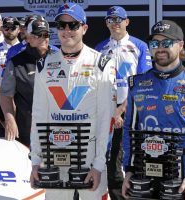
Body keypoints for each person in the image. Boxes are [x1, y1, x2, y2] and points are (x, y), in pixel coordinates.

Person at [121, 20, 185, 200]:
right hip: (144, 174)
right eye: (155, 44)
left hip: (182, 177)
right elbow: (129, 129)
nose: (160, 48)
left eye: (166, 43)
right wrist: (129, 170)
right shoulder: (137, 83)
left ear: (180, 45)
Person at [29, 3, 116, 200]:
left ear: (84, 28)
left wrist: (99, 165)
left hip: (90, 156)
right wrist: (35, 161)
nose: (67, 30)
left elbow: (106, 120)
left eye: (73, 25)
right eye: (61, 25)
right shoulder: (44, 65)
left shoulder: (101, 64)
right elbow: (38, 116)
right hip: (55, 154)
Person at [95, 6, 152, 200]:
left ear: (127, 22)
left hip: (135, 112)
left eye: (119, 19)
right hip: (110, 113)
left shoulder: (140, 46)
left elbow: (144, 82)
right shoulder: (99, 48)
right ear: (106, 23)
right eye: (111, 20)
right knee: (112, 163)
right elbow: (96, 85)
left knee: (139, 160)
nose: (115, 23)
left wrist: (122, 109)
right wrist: (112, 112)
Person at [0, 18, 58, 146]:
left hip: (57, 128)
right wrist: (9, 119)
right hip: (28, 129)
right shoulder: (15, 63)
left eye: (46, 34)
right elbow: (5, 95)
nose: (44, 38)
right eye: (38, 35)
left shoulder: (60, 60)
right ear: (28, 38)